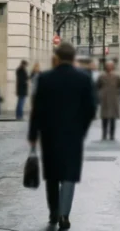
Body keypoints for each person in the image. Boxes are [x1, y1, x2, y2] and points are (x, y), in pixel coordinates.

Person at [28, 42, 97, 229]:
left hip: (50, 134)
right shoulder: (83, 79)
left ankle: (53, 211)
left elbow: (37, 110)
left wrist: (33, 134)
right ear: (73, 58)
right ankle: (64, 214)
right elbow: (91, 109)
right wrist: (81, 129)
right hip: (73, 135)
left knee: (52, 175)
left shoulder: (45, 78)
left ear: (57, 57)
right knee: (69, 174)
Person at [96, 61, 120, 141]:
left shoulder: (117, 76)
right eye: (107, 66)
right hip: (105, 99)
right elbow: (97, 86)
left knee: (113, 118)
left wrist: (118, 94)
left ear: (113, 67)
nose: (109, 67)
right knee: (104, 118)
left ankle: (112, 135)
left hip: (114, 99)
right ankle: (104, 134)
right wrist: (100, 94)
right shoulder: (101, 76)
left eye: (110, 66)